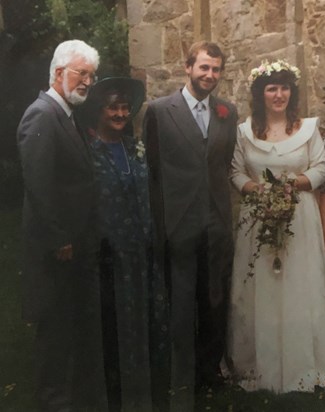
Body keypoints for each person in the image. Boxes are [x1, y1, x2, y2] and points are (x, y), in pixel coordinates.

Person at [143, 41, 238, 411]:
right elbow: (152, 171)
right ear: (188, 68)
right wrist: (161, 222)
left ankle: (208, 371)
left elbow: (223, 161)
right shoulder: (158, 111)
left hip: (215, 221)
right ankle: (180, 377)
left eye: (216, 70)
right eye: (204, 68)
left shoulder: (228, 112)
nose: (210, 76)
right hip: (178, 223)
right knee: (180, 303)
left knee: (214, 300)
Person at [16, 40, 108, 412]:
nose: (87, 81)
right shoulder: (41, 115)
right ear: (58, 73)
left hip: (74, 247)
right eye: (80, 73)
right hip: (56, 251)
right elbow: (39, 184)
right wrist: (59, 239)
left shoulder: (66, 114)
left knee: (72, 329)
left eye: (91, 75)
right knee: (54, 333)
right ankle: (54, 403)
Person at [227, 59, 325, 392]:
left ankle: (302, 364)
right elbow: (236, 172)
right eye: (272, 88)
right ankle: (260, 365)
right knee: (262, 290)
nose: (279, 94)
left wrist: (292, 184)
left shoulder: (309, 129)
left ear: (292, 92)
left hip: (298, 217)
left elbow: (321, 169)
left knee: (298, 287)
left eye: (285, 87)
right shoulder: (245, 132)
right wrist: (257, 189)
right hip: (258, 218)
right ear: (260, 93)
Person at [78, 77, 169, 412]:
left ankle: (146, 392)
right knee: (114, 331)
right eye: (112, 107)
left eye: (124, 108)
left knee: (148, 324)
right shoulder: (89, 153)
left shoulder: (135, 148)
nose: (119, 114)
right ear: (99, 111)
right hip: (110, 259)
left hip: (142, 254)